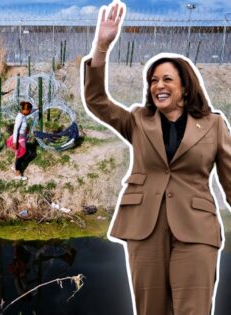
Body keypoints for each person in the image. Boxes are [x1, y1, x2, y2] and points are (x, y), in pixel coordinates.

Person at [82, 2, 231, 315]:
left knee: (194, 309)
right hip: (144, 227)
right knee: (151, 310)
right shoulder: (138, 120)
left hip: (196, 228)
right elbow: (96, 101)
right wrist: (101, 47)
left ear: (185, 87)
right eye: (153, 80)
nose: (158, 86)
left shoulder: (215, 125)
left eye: (166, 80)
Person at [6, 101, 33, 181]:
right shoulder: (19, 117)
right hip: (18, 138)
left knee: (19, 154)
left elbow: (30, 112)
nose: (30, 112)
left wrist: (36, 109)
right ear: (25, 110)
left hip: (22, 138)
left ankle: (14, 167)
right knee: (20, 156)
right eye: (30, 110)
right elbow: (15, 129)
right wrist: (15, 141)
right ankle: (17, 175)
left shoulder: (24, 115)